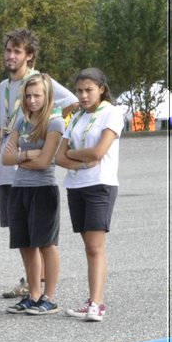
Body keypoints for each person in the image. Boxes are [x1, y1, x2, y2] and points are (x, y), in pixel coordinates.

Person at [0, 29, 76, 299]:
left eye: (17, 51)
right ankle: (32, 283)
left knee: (42, 236)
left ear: (29, 56)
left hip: (37, 174)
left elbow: (72, 101)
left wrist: (44, 132)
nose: (11, 55)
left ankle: (40, 288)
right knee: (21, 234)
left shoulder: (39, 83)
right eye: (8, 50)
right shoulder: (4, 86)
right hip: (10, 173)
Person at [55, 68, 124, 322]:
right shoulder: (75, 117)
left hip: (100, 185)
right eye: (79, 91)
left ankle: (97, 303)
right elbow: (59, 156)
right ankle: (92, 300)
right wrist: (79, 159)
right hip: (76, 185)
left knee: (95, 247)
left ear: (101, 89)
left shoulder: (112, 113)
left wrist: (75, 154)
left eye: (88, 90)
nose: (83, 96)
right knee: (88, 246)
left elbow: (98, 152)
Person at [0, 73, 65, 315]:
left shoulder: (54, 123)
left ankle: (50, 297)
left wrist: (24, 157)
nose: (32, 100)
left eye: (37, 95)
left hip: (43, 190)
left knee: (46, 244)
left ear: (47, 96)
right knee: (25, 244)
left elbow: (45, 162)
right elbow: (6, 158)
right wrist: (27, 155)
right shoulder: (21, 122)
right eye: (28, 96)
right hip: (19, 189)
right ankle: (34, 294)